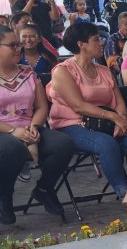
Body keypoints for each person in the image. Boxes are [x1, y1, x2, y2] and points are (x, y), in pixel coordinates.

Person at [47, 23, 127, 212]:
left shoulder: (104, 71)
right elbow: (77, 105)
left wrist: (121, 119)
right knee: (107, 144)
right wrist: (114, 118)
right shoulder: (63, 71)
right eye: (96, 39)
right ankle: (126, 194)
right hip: (72, 124)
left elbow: (119, 102)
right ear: (81, 44)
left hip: (106, 122)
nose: (102, 42)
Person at [0, 26, 74, 223]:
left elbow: (41, 106)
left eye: (19, 44)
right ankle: (4, 197)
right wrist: (14, 131)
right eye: (13, 45)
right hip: (4, 132)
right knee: (13, 148)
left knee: (63, 144)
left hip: (30, 128)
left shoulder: (28, 72)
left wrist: (34, 125)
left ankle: (44, 189)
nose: (19, 48)